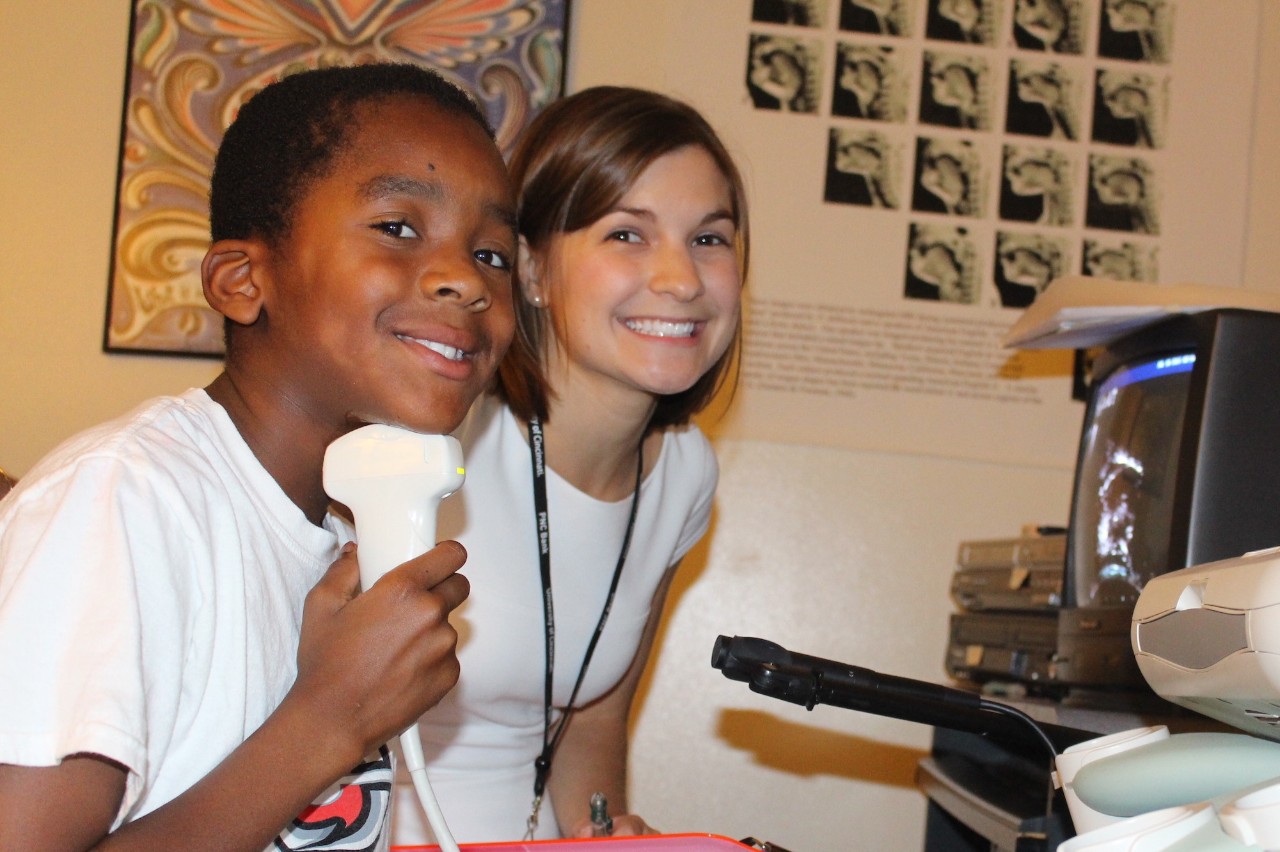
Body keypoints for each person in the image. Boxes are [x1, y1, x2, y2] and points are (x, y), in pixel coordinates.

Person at [0, 62, 517, 852]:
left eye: (493, 255)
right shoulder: (121, 502)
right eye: (398, 228)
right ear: (244, 281)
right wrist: (327, 722)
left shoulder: (349, 539)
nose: (465, 282)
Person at [391, 85, 748, 845]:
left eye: (710, 239)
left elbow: (592, 718)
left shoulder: (685, 475)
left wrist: (604, 831)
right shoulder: (434, 431)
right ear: (530, 269)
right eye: (627, 235)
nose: (683, 279)